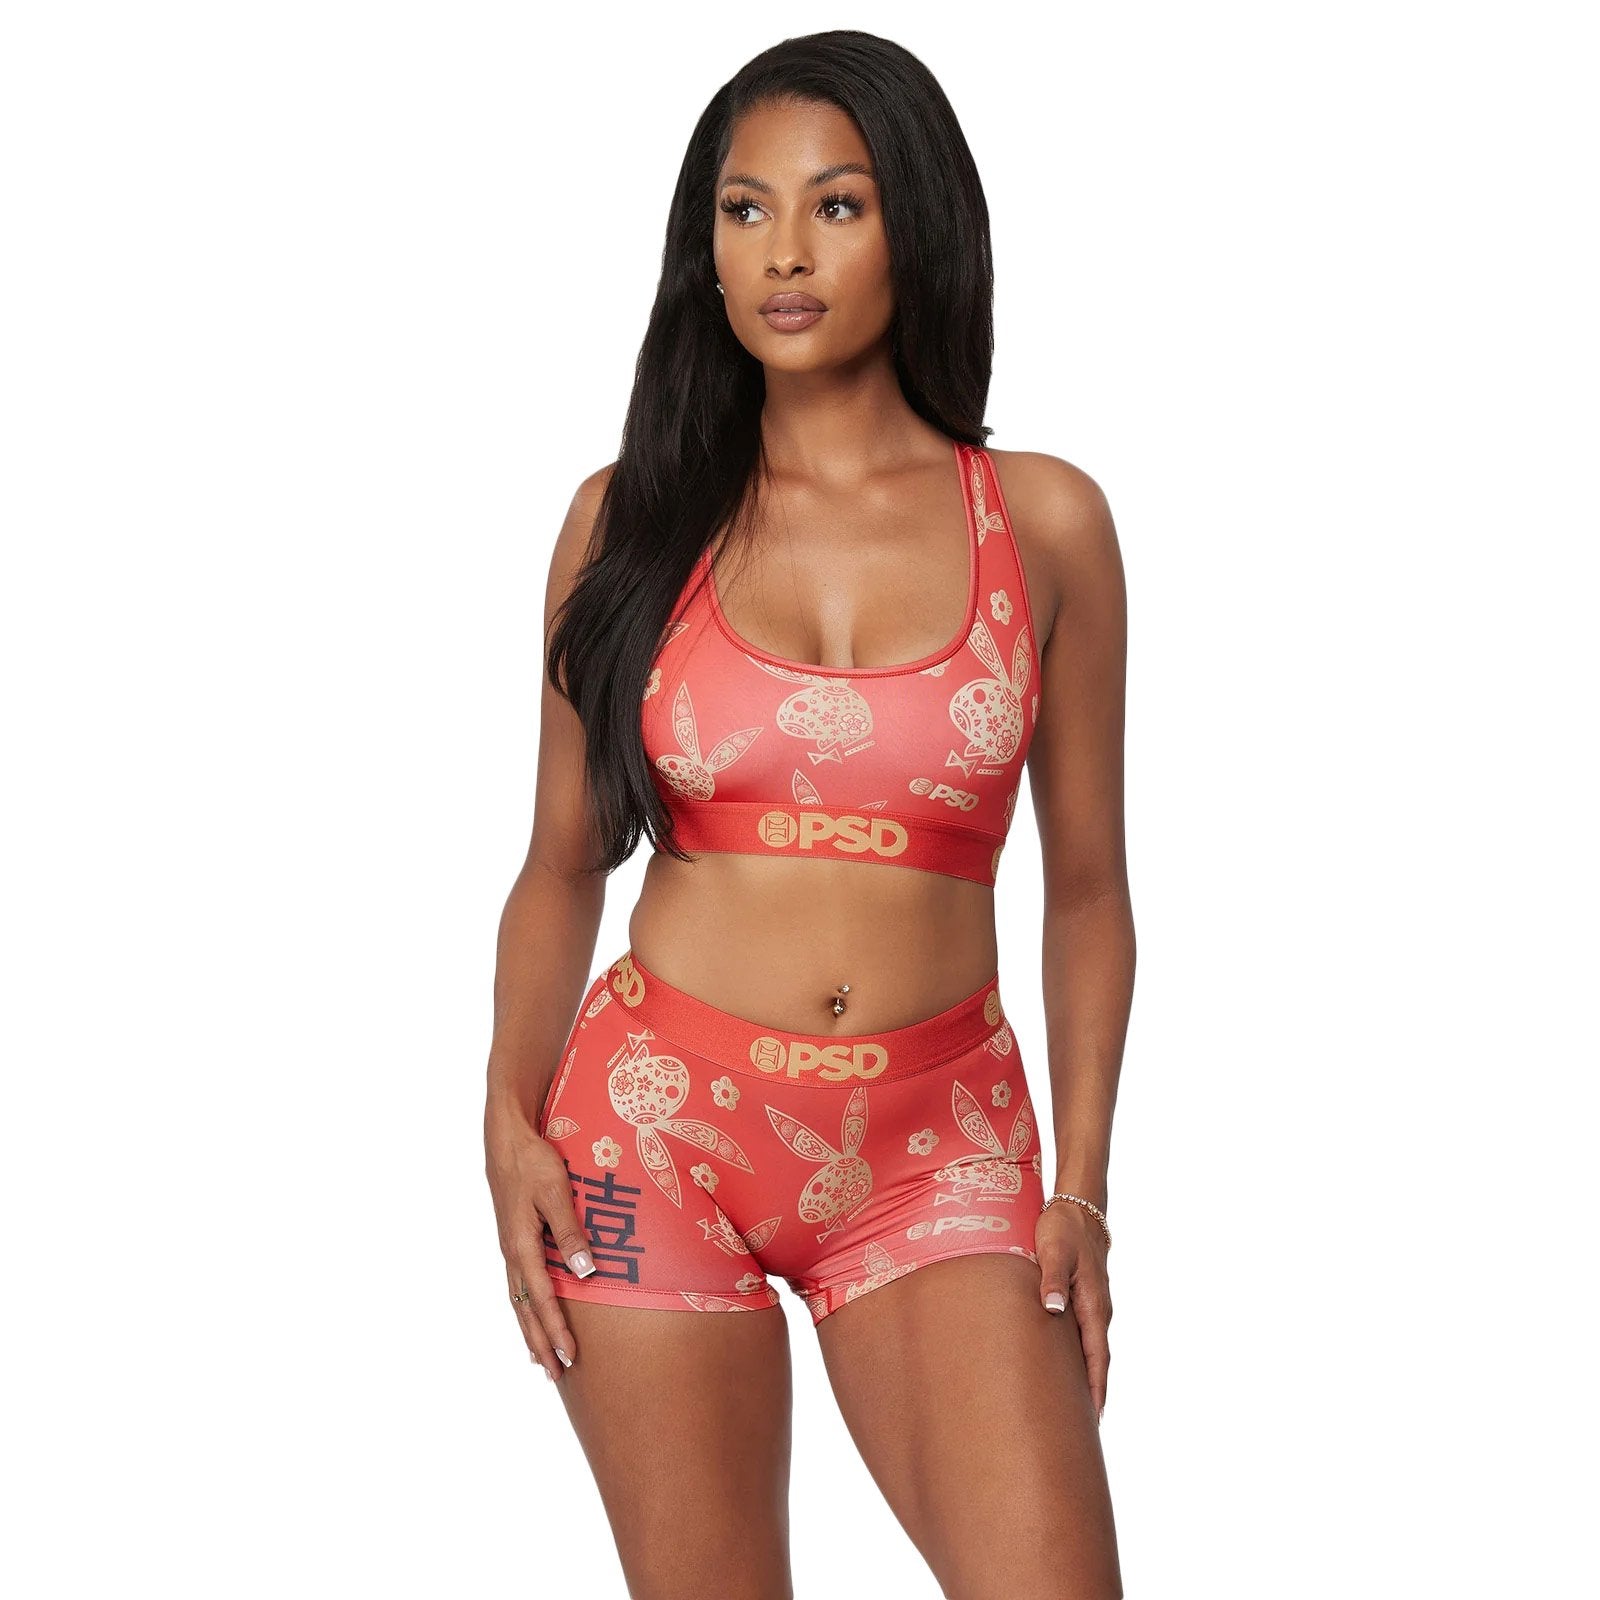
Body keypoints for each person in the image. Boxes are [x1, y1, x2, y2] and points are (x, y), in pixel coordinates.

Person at [484, 29, 1130, 1600]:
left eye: (837, 206)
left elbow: (1090, 887)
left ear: (918, 225)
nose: (784, 252)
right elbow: (561, 865)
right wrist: (504, 1117)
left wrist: (1084, 1184)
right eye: (744, 208)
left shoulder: (1042, 522)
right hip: (651, 1132)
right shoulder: (626, 521)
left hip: (939, 1146)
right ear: (702, 246)